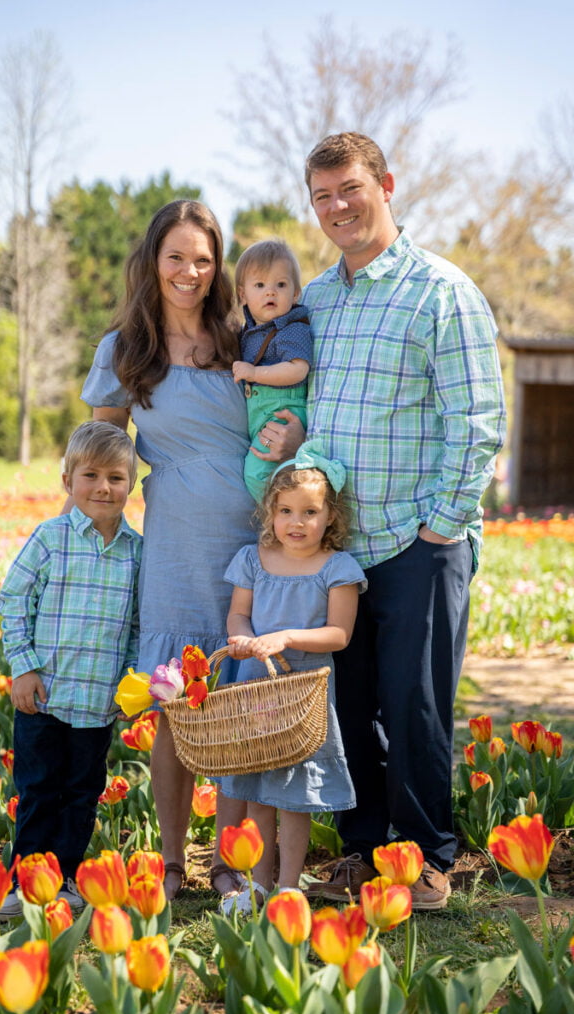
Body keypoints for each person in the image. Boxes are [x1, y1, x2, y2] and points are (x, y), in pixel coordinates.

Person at [259, 132, 506, 910]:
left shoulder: (441, 291)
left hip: (415, 540)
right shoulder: (318, 302)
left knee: (414, 703)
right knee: (343, 704)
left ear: (386, 184)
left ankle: (428, 858)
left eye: (350, 189)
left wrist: (443, 524)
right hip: (336, 547)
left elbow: (476, 418)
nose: (337, 207)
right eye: (322, 196)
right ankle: (366, 852)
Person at [80, 200, 256, 900]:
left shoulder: (246, 340)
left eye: (204, 259)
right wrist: (79, 544)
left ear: (219, 267)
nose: (190, 271)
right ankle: (175, 862)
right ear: (153, 260)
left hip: (255, 546)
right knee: (176, 707)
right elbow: (99, 456)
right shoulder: (125, 348)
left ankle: (233, 861)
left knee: (244, 708)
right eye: (177, 256)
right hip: (178, 545)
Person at [0, 420, 142, 920]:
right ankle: (24, 880)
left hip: (97, 701)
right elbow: (13, 599)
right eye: (91, 475)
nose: (104, 487)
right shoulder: (50, 538)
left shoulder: (137, 553)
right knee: (37, 788)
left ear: (132, 483)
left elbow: (139, 627)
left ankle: (64, 879)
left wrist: (130, 687)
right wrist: (23, 667)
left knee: (82, 792)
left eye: (117, 477)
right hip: (44, 695)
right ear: (68, 481)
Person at [218, 441, 366, 913]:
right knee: (259, 790)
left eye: (309, 512)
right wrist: (243, 639)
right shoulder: (253, 559)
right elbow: (238, 617)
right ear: (270, 513)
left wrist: (283, 637)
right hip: (255, 685)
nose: (296, 523)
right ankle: (258, 886)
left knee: (294, 795)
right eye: (285, 511)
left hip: (304, 692)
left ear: (329, 517)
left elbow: (339, 633)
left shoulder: (336, 568)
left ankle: (287, 887)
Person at [232, 238, 312, 501]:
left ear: (296, 293)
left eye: (281, 284)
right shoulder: (250, 332)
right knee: (270, 473)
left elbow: (297, 370)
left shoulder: (291, 328)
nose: (271, 292)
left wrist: (254, 374)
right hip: (262, 416)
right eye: (260, 285)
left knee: (256, 475)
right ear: (243, 294)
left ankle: (277, 523)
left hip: (282, 413)